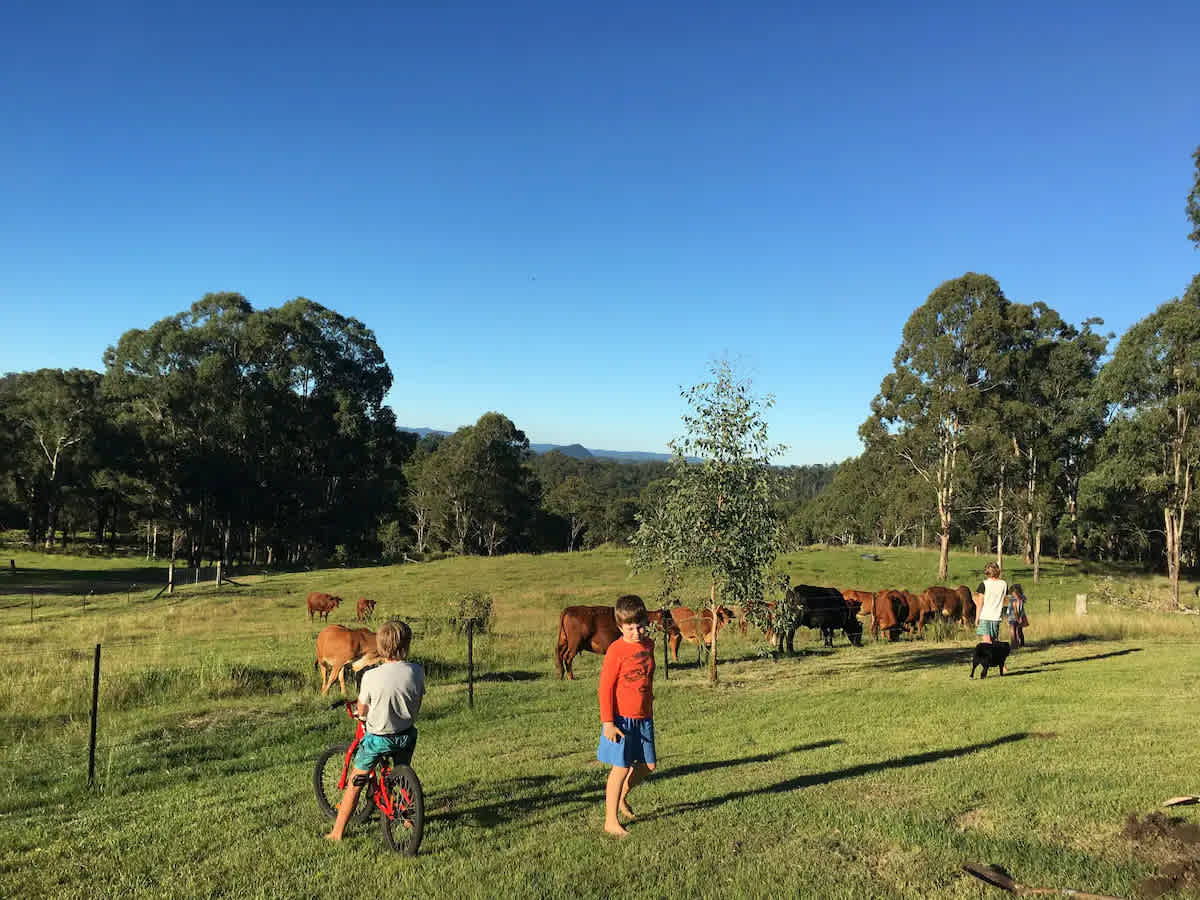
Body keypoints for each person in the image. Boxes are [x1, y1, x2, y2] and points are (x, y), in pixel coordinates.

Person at [326, 619, 425, 842]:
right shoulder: (416, 671)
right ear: (407, 645)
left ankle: (337, 832)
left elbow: (362, 709)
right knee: (402, 771)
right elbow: (417, 701)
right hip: (406, 735)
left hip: (378, 738)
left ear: (380, 647)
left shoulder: (371, 676)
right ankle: (409, 816)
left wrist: (363, 716)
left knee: (355, 782)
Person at [597, 594, 657, 838]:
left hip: (643, 716)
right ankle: (610, 821)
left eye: (640, 625)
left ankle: (621, 796)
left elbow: (646, 675)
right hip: (621, 719)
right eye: (630, 627)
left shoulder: (649, 645)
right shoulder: (616, 650)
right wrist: (608, 723)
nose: (636, 632)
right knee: (620, 769)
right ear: (620, 627)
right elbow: (605, 688)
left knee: (648, 766)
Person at [975, 562, 1008, 652]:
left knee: (987, 643)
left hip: (985, 617)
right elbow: (1005, 601)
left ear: (987, 572)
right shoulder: (1004, 584)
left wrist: (977, 617)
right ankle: (1002, 665)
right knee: (994, 642)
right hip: (996, 617)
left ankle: (989, 662)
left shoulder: (984, 584)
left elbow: (980, 603)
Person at [1007, 583, 1029, 649]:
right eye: (1013, 594)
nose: (1014, 595)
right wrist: (1018, 618)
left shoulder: (1020, 598)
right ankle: (1015, 644)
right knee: (1014, 630)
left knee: (1018, 630)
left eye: (1016, 594)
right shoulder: (1013, 599)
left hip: (1018, 616)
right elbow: (1015, 611)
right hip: (1013, 616)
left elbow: (1024, 600)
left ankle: (1019, 644)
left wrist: (1019, 618)